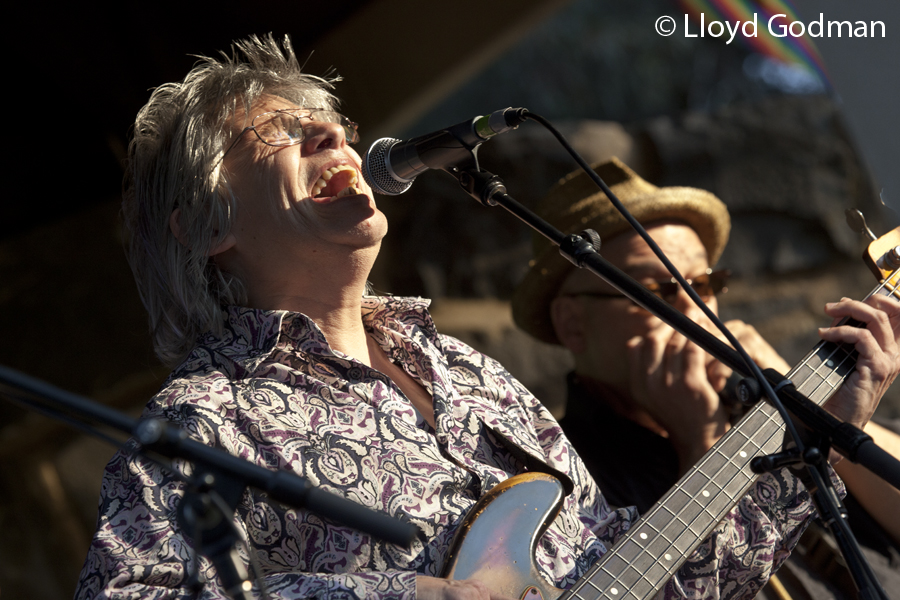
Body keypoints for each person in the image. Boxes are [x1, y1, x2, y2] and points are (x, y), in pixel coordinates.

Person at [75, 35, 899, 600]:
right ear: (208, 223)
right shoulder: (204, 423)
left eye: (338, 126)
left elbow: (643, 576)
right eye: (290, 134)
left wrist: (812, 445)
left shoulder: (469, 371)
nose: (337, 133)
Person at [511, 157, 900, 598]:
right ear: (573, 324)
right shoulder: (560, 479)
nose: (695, 310)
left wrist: (803, 401)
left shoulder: (750, 394)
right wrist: (701, 444)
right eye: (657, 291)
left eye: (705, 284)